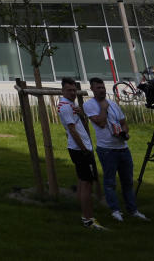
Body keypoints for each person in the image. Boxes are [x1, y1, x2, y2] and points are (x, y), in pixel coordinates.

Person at [84, 77, 147, 222]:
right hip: (107, 149)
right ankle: (115, 210)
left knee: (127, 181)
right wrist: (104, 108)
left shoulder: (113, 104)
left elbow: (123, 122)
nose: (102, 90)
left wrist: (125, 133)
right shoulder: (90, 105)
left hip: (122, 147)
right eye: (98, 88)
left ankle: (132, 209)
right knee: (110, 181)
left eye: (103, 87)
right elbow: (100, 122)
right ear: (92, 89)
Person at [57, 77, 106, 230]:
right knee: (87, 184)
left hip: (83, 147)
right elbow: (72, 130)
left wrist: (82, 114)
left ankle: (85, 213)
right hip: (80, 150)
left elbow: (80, 125)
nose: (72, 93)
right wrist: (84, 149)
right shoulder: (65, 107)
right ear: (63, 91)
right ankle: (88, 219)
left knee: (84, 181)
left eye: (74, 90)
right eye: (69, 90)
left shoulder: (72, 105)